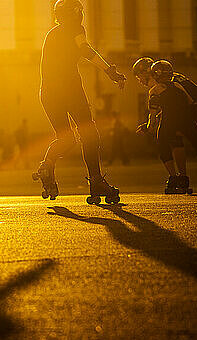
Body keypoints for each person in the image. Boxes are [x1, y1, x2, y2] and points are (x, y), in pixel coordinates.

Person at [33, 0, 127, 204]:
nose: (81, 15)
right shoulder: (75, 28)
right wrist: (109, 70)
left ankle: (47, 165)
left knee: (65, 139)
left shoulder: (52, 34)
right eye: (79, 11)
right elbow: (85, 49)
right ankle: (96, 181)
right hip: (69, 89)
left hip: (47, 93)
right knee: (89, 134)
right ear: (74, 13)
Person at [132, 57, 197, 194]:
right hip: (188, 120)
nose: (139, 80)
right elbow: (190, 100)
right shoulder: (176, 83)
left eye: (139, 76)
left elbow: (153, 110)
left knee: (163, 145)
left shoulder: (154, 90)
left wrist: (149, 125)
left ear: (148, 72)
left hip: (171, 122)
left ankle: (176, 178)